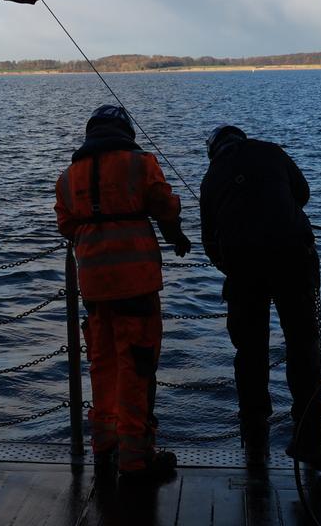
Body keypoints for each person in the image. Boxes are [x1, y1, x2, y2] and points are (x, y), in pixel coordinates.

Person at [54, 105, 193, 486]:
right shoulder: (141, 163)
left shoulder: (68, 176)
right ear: (126, 131)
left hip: (94, 287)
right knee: (138, 366)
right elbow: (164, 205)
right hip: (137, 284)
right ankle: (135, 460)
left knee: (103, 363)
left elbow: (65, 223)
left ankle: (104, 447)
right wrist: (177, 232)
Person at [198, 124, 321, 476]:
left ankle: (256, 444)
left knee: (250, 355)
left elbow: (209, 243)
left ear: (213, 150)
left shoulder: (210, 178)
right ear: (241, 138)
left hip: (244, 272)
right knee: (303, 350)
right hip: (294, 261)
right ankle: (310, 441)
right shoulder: (271, 151)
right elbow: (302, 193)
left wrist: (233, 263)